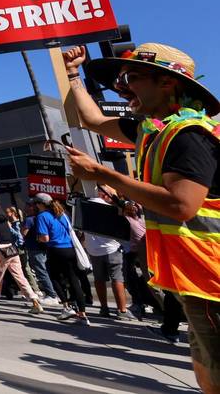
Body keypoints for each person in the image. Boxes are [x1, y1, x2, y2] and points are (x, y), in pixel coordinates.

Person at [63, 43, 220, 392]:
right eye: (120, 80)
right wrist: (73, 74)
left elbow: (181, 205)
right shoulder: (152, 131)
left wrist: (103, 175)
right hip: (196, 279)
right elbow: (92, 119)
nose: (121, 88)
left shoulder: (189, 135)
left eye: (131, 78)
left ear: (167, 83)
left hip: (213, 280)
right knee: (207, 374)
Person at [32, 193, 90, 326]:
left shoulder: (42, 216)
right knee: (74, 280)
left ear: (40, 204)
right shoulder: (61, 213)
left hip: (55, 250)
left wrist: (38, 238)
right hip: (69, 249)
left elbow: (45, 238)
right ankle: (82, 314)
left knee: (54, 278)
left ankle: (66, 307)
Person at [84, 185, 137, 320]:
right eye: (112, 195)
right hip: (111, 247)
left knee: (99, 279)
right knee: (117, 279)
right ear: (104, 195)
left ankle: (104, 308)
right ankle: (122, 310)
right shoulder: (111, 208)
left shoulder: (84, 205)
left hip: (93, 249)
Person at [0, 202, 43, 314]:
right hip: (12, 250)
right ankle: (35, 301)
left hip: (1, 250)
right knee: (20, 277)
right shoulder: (5, 221)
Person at [21, 202, 60, 305]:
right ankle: (54, 293)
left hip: (35, 249)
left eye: (26, 206)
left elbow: (23, 233)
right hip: (42, 248)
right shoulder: (38, 218)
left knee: (41, 272)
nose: (24, 208)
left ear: (31, 207)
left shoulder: (29, 219)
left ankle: (51, 295)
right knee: (45, 271)